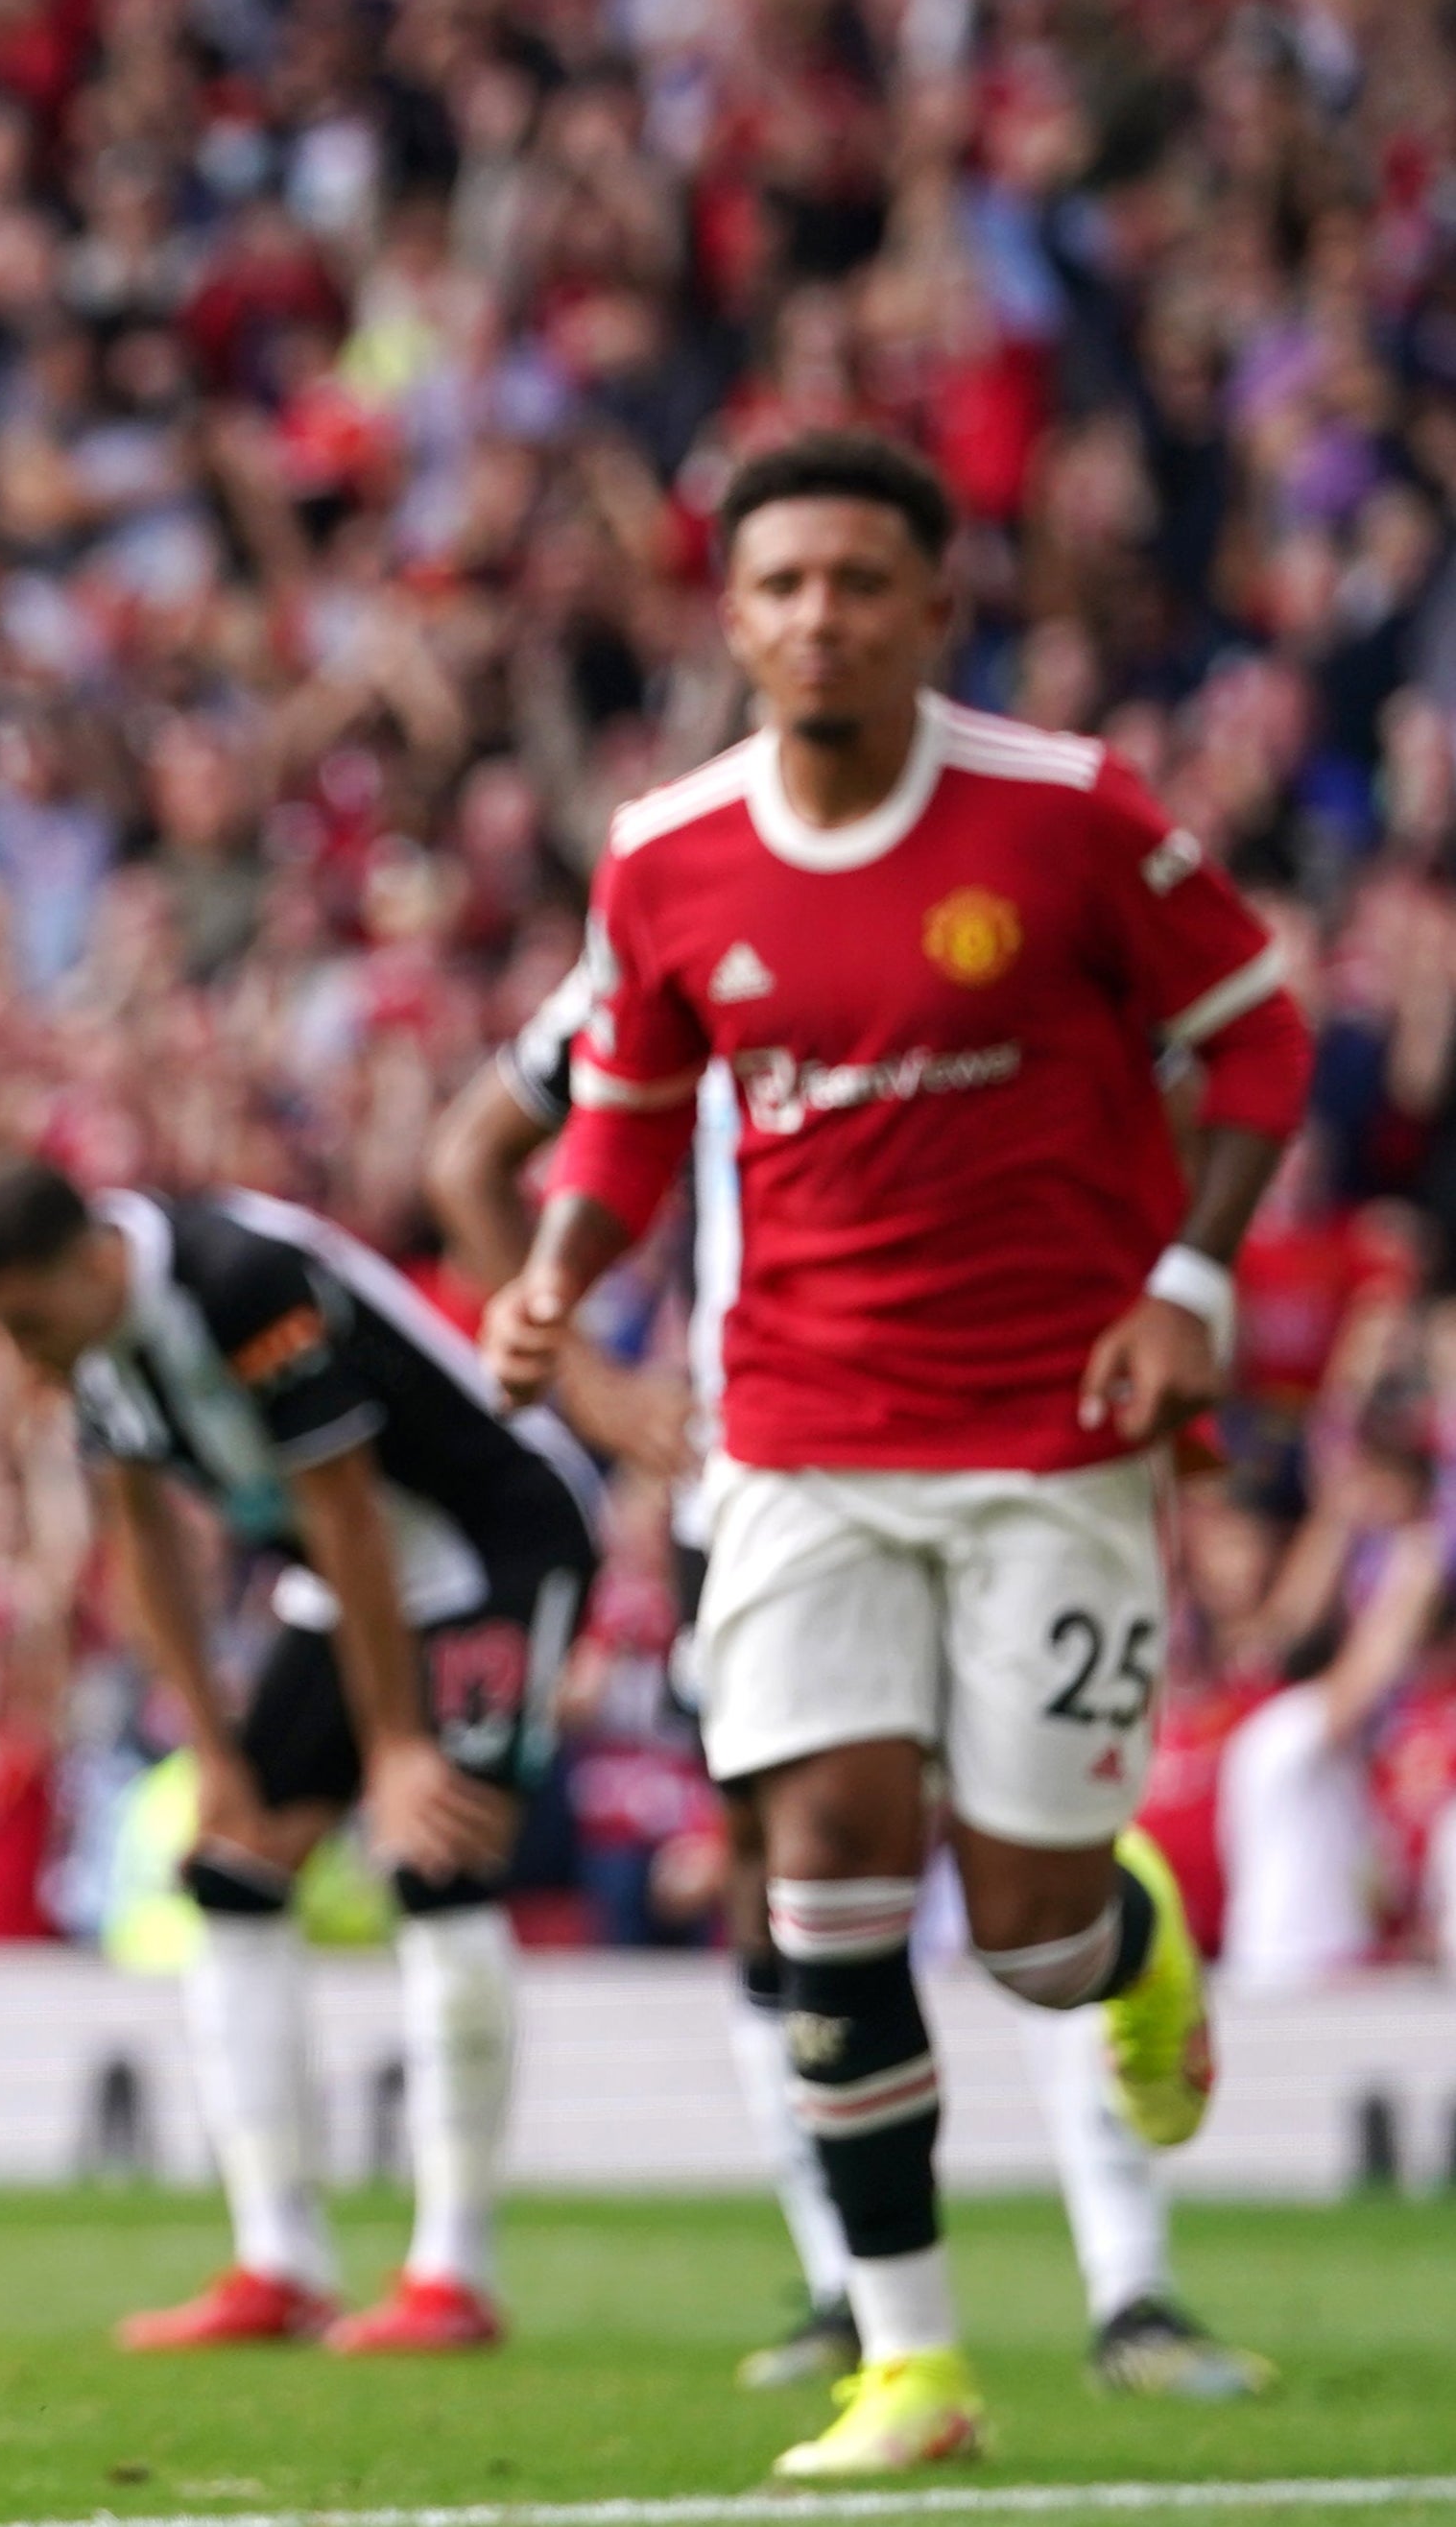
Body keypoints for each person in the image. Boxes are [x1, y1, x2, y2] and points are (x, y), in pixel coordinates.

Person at [481, 429, 1312, 2479]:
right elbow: (618, 1107)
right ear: (727, 613)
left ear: (933, 607)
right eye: (777, 585)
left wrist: (1186, 1284)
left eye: (858, 580)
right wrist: (554, 1275)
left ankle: (1117, 1938)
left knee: (1023, 1931)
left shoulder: (1062, 813)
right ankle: (906, 2363)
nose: (814, 617)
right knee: (822, 1868)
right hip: (790, 1437)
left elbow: (1261, 1030)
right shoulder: (663, 849)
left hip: (1050, 1428)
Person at [429, 951, 1277, 2402]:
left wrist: (1164, 1287)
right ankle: (851, 2278)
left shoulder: (998, 893)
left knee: (1027, 1873)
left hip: (999, 1451)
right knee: (785, 1866)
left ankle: (1127, 2280)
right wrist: (589, 1383)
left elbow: (1207, 1068)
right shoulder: (678, 911)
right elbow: (468, 1156)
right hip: (756, 1484)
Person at [0, 1156, 600, 2357]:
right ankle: (278, 2258)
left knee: (435, 1856)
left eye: (26, 1323)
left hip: (486, 1542)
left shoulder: (239, 1280)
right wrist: (214, 1757)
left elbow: (345, 1502)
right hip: (342, 1574)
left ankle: (452, 2268)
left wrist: (397, 1745)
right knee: (232, 1869)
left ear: (92, 1263)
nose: (23, 1357)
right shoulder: (91, 1343)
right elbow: (146, 1536)